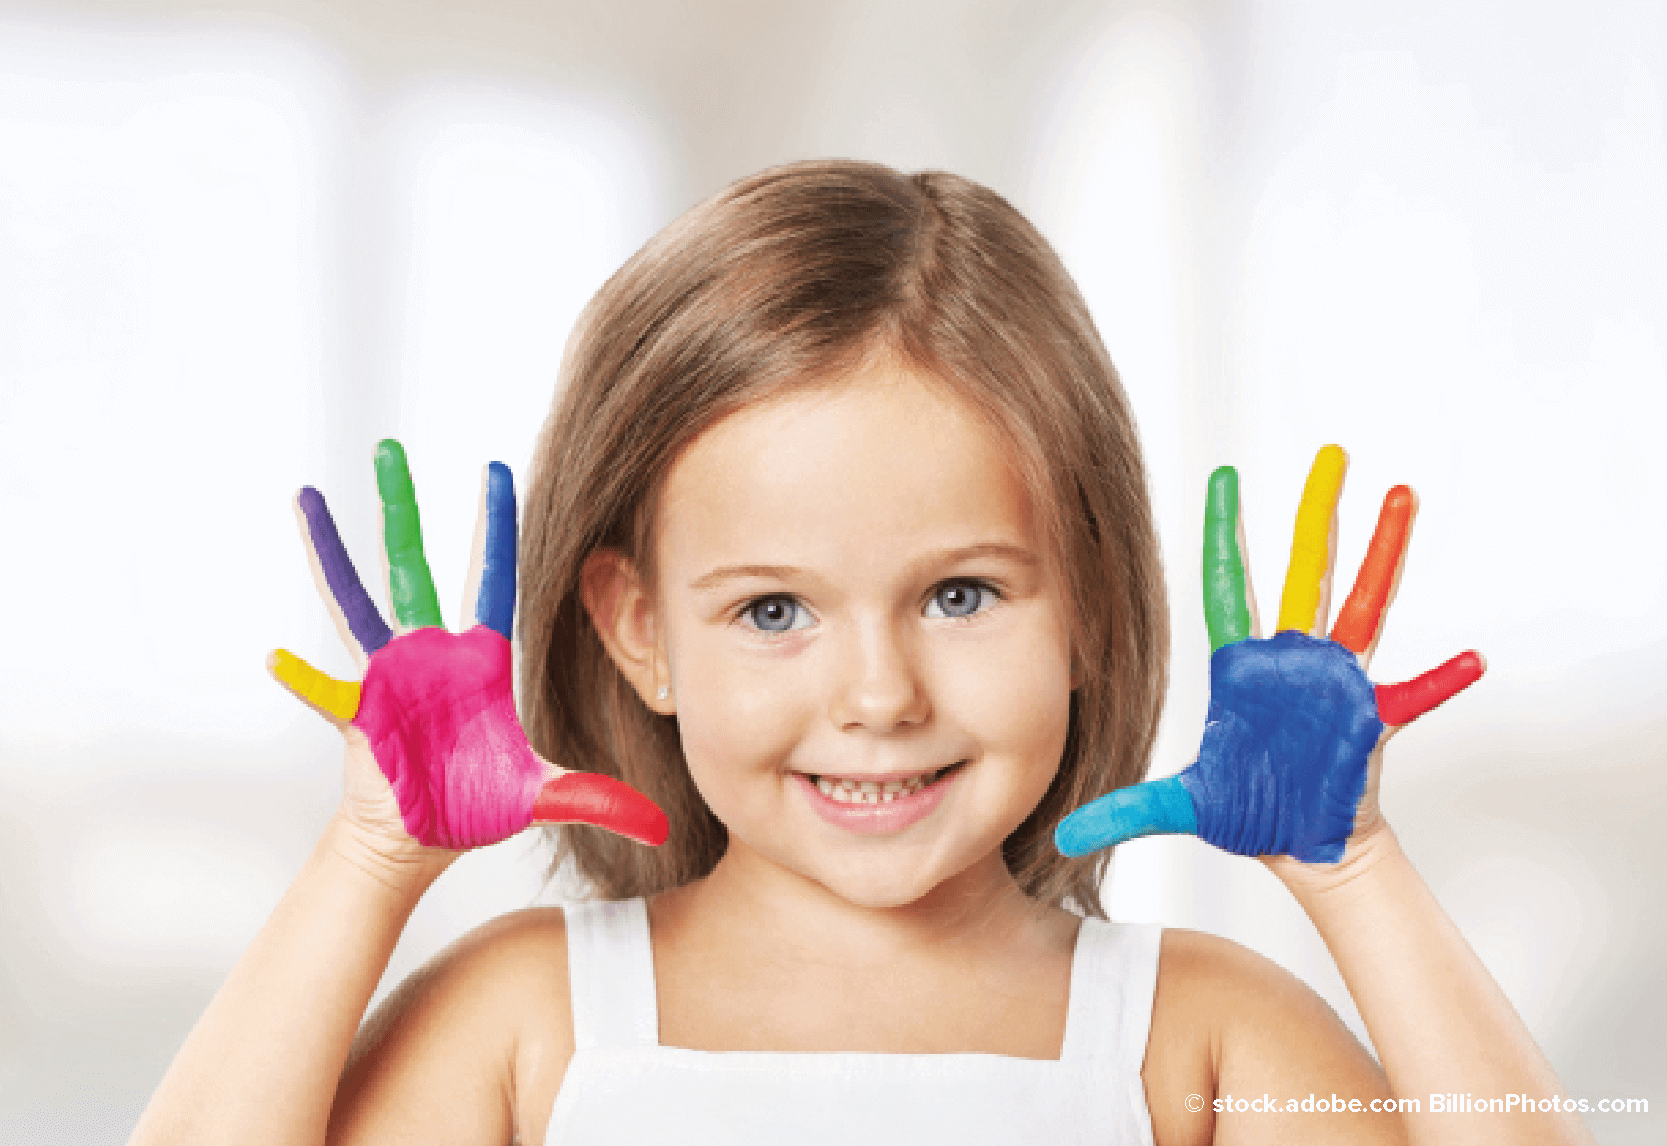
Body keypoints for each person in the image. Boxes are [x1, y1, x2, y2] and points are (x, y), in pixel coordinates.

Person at [130, 160, 1592, 1146]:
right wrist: (365, 860)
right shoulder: (531, 1020)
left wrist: (1356, 874)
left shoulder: (1191, 1035)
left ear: (1084, 598)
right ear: (640, 630)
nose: (879, 695)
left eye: (959, 595)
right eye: (773, 610)